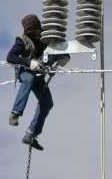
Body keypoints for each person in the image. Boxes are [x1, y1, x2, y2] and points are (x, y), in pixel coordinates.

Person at [6, 14, 69, 150]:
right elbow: (10, 57)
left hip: (40, 73)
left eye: (35, 30)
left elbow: (59, 48)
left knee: (47, 103)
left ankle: (31, 134)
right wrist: (29, 62)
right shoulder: (22, 40)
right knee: (28, 79)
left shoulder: (46, 37)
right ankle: (15, 113)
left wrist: (63, 58)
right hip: (26, 70)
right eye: (31, 31)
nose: (35, 33)